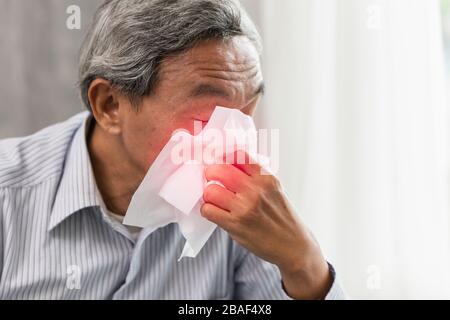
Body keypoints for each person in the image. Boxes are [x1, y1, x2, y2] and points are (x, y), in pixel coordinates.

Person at [0, 0, 345, 299]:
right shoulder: (9, 198)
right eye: (211, 113)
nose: (236, 139)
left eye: (248, 110)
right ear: (109, 105)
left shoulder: (241, 211)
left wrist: (302, 261)